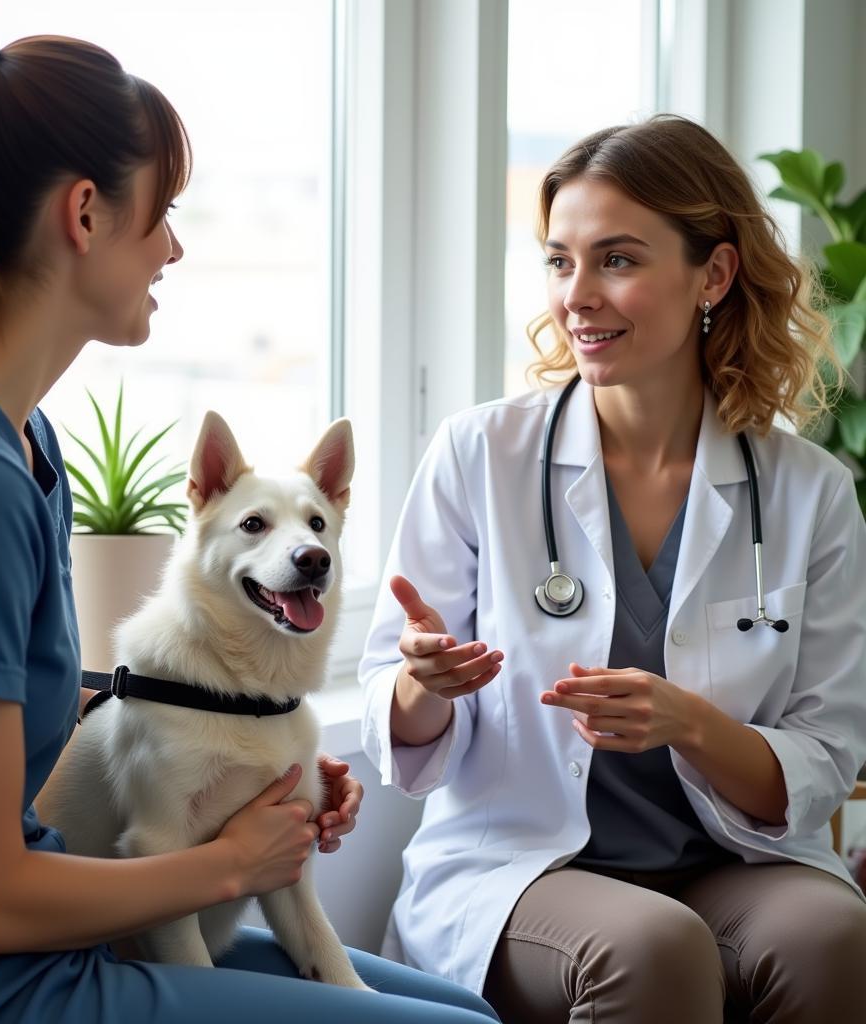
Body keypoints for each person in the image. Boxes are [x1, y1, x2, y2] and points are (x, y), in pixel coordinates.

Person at [0, 27, 500, 1024]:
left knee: (458, 1009)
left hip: (1, 940)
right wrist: (232, 859)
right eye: (165, 215)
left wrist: (236, 758)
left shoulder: (11, 442)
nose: (175, 249)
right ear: (85, 212)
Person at [359, 114, 866, 1023]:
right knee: (652, 947)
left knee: (832, 933)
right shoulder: (480, 454)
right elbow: (393, 720)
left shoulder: (807, 491)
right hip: (526, 868)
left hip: (728, 864)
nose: (576, 296)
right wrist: (420, 682)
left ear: (712, 273)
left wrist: (692, 726)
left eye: (617, 261)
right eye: (560, 261)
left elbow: (824, 762)